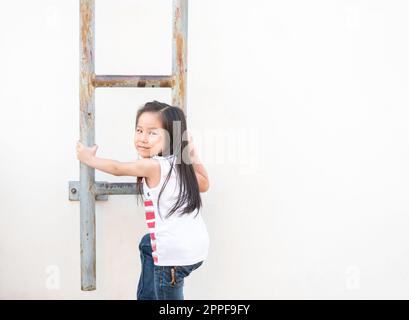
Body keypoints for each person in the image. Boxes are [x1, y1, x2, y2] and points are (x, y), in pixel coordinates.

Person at [76, 100, 210, 300]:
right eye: (139, 130)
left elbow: (118, 168)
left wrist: (89, 159)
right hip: (195, 247)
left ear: (171, 138)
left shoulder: (153, 166)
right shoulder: (180, 167)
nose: (143, 138)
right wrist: (192, 153)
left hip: (172, 259)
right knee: (147, 244)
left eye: (153, 133)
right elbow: (205, 183)